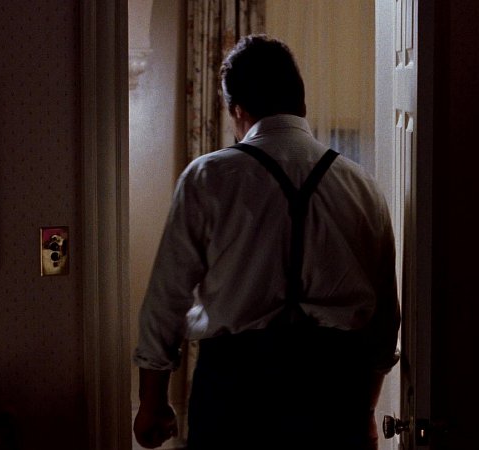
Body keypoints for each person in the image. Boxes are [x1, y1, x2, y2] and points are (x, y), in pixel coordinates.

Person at [133, 34, 400, 450]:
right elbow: (385, 318)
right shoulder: (361, 185)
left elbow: (166, 300)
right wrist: (364, 410)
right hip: (334, 392)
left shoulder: (208, 177)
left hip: (235, 392)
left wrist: (152, 401)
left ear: (237, 110)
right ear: (302, 104)